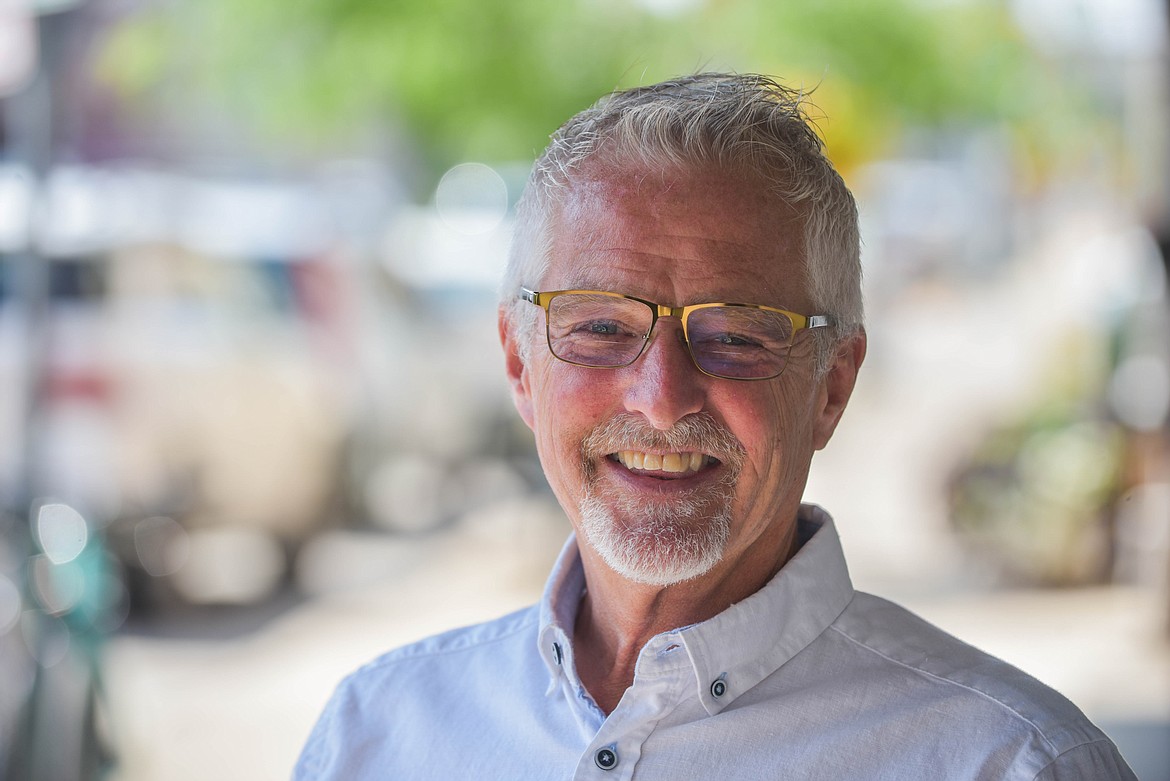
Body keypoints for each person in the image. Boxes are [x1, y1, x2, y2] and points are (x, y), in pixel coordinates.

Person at [294, 73, 1137, 780]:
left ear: (832, 387)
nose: (662, 400)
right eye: (600, 327)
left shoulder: (1007, 761)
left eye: (736, 336)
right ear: (520, 364)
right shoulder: (377, 735)